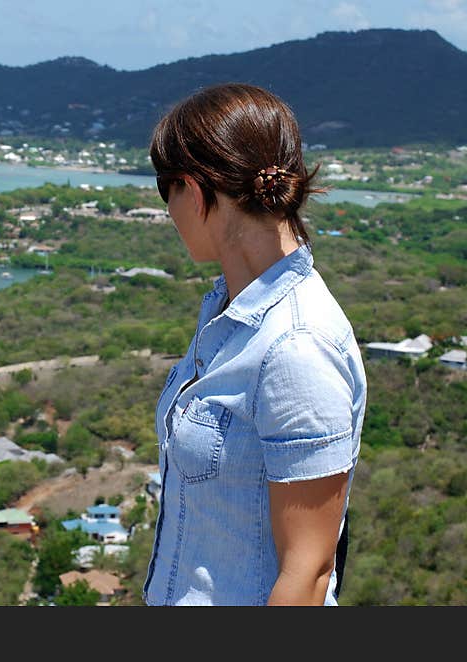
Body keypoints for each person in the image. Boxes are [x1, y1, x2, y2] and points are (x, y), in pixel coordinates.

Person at [143, 83, 367, 606]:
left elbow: (307, 575)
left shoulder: (296, 345)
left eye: (164, 190)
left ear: (194, 192)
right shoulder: (229, 314)